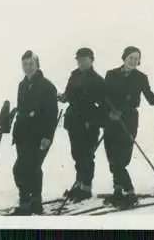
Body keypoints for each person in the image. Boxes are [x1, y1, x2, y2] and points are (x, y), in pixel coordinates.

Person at [103, 46, 154, 207]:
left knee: (121, 158)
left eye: (136, 59)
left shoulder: (141, 77)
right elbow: (104, 96)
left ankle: (129, 190)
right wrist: (109, 113)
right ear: (124, 58)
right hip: (111, 119)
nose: (134, 61)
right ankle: (118, 189)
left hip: (128, 120)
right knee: (111, 155)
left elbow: (151, 98)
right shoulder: (111, 74)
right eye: (131, 58)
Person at [11, 50, 59, 215]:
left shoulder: (47, 86)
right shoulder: (22, 85)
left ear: (37, 65)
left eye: (31, 64)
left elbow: (52, 115)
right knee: (21, 168)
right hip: (22, 134)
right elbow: (22, 109)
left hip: (38, 135)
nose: (28, 67)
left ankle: (33, 204)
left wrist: (47, 137)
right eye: (25, 64)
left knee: (31, 168)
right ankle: (27, 200)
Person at [58, 48, 105, 202]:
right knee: (77, 154)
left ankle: (86, 187)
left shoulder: (98, 79)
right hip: (73, 120)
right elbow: (69, 94)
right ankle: (78, 184)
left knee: (87, 155)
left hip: (89, 121)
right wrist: (62, 97)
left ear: (92, 60)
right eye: (79, 60)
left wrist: (94, 120)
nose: (81, 62)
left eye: (85, 59)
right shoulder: (74, 75)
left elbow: (102, 102)